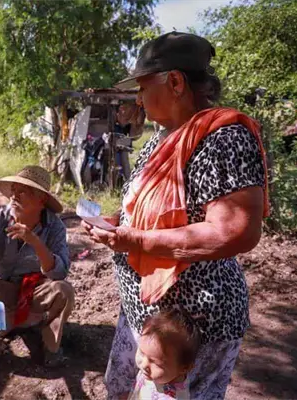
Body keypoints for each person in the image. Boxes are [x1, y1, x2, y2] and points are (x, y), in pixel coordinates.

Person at [85, 32, 268, 398]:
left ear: (174, 82)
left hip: (190, 328)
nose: (138, 98)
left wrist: (136, 239)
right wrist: (119, 223)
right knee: (121, 390)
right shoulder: (160, 140)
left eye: (142, 87)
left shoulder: (224, 138)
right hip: (146, 315)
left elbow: (237, 231)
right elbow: (152, 209)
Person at [0, 166, 75, 378]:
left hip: (34, 292)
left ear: (41, 199)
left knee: (63, 291)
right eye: (13, 190)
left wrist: (35, 242)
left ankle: (49, 345)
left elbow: (59, 273)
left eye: (23, 191)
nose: (14, 196)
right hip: (2, 291)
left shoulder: (55, 226)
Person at [125, 309, 201, 400]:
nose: (144, 365)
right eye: (142, 352)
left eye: (156, 363)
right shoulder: (157, 374)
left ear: (184, 368)